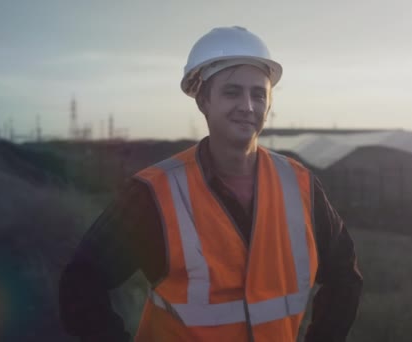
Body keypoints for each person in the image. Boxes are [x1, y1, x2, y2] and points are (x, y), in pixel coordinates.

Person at [59, 26, 362, 342]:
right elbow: (81, 282)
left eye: (258, 94)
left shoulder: (301, 186)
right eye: (232, 92)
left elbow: (345, 275)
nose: (247, 106)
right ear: (203, 100)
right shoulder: (156, 192)